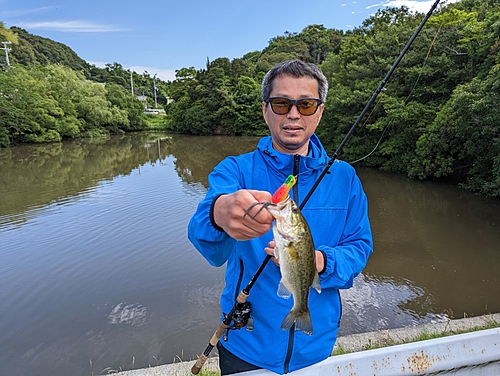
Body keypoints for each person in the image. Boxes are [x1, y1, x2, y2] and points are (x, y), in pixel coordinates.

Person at [188, 59, 373, 375]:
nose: (293, 114)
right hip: (246, 344)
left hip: (317, 345)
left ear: (320, 111)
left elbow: (359, 247)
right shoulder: (236, 170)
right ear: (265, 110)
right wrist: (219, 213)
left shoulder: (345, 178)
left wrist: (321, 262)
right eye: (281, 103)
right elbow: (210, 248)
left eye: (306, 104)